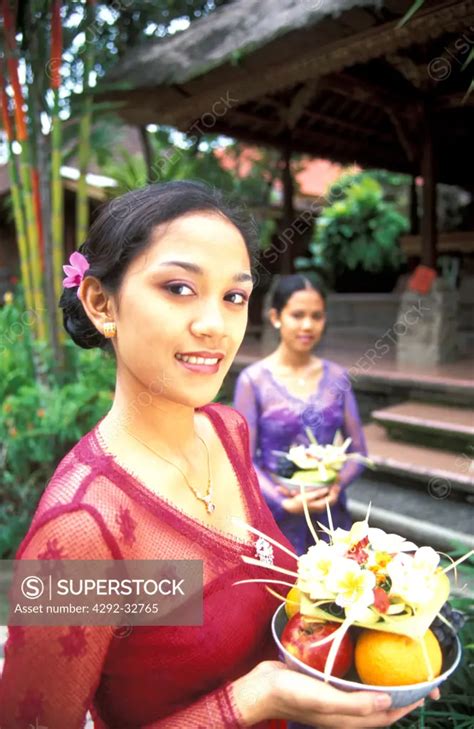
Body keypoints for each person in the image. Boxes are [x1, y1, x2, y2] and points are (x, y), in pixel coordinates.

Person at [0, 183, 434, 728]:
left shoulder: (226, 433)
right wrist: (253, 701)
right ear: (101, 302)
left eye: (234, 296)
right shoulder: (83, 530)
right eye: (179, 287)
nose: (215, 326)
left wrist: (366, 601)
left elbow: (234, 601)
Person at [234, 274, 367, 555]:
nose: (307, 325)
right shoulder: (253, 380)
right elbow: (243, 459)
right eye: (297, 315)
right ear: (276, 317)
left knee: (332, 592)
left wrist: (336, 485)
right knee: (279, 595)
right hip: (276, 513)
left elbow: (359, 452)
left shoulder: (337, 378)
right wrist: (283, 502)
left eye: (316, 316)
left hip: (329, 513)